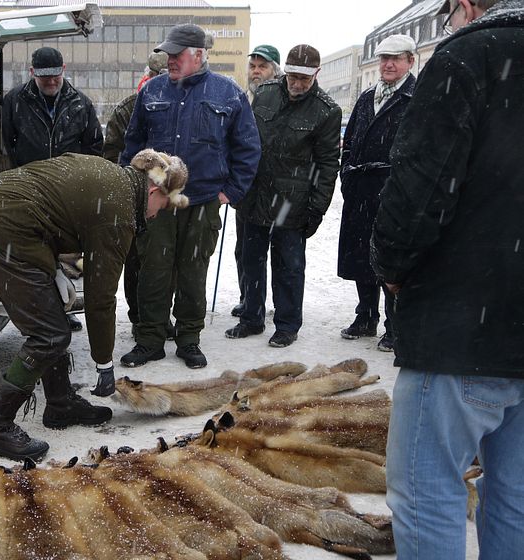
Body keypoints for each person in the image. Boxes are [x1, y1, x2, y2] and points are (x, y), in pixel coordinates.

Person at [371, 0, 524, 557]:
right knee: (517, 494)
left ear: (465, 6)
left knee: (427, 488)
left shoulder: (470, 55)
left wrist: (391, 265)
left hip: (465, 320)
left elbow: (421, 185)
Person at [0, 149, 189, 462]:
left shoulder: (116, 181)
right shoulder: (119, 211)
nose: (158, 213)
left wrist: (52, 267)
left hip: (2, 212)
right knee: (48, 334)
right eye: (163, 205)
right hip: (1, 224)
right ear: (154, 190)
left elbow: (55, 207)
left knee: (54, 321)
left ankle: (60, 404)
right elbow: (101, 298)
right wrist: (104, 363)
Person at [118, 23, 261, 369]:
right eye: (167, 53)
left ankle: (189, 338)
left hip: (203, 200)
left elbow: (249, 148)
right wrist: (132, 186)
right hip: (157, 200)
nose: (169, 60)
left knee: (193, 270)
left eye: (176, 54)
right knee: (153, 268)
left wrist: (231, 191)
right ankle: (150, 339)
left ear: (198, 55)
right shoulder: (151, 91)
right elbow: (133, 144)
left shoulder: (229, 94)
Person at [226, 44, 341, 348]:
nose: (297, 83)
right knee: (250, 260)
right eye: (292, 76)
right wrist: (236, 180)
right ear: (285, 70)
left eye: (304, 78)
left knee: (288, 266)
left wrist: (318, 209)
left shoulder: (327, 110)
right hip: (254, 195)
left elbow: (328, 164)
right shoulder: (264, 93)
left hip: (293, 202)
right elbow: (245, 140)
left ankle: (287, 325)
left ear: (317, 73)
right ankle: (251, 317)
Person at [2, 46, 104, 332]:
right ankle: (39, 313)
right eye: (44, 77)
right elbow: (4, 146)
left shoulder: (80, 104)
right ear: (32, 72)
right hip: (28, 191)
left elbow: (94, 150)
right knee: (35, 254)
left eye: (55, 76)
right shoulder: (14, 101)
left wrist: (84, 186)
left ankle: (64, 308)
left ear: (64, 69)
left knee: (64, 254)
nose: (50, 82)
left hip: (66, 195)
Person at [337, 34, 416, 352]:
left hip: (394, 193)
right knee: (360, 257)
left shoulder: (417, 97)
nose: (388, 64)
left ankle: (394, 326)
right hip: (361, 191)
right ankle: (365, 316)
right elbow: (351, 140)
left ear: (411, 61)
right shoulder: (367, 96)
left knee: (391, 260)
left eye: (396, 58)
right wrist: (347, 176)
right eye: (384, 58)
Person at [103, 51, 168, 339]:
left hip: (168, 197)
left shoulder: (182, 106)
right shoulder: (128, 109)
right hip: (135, 198)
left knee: (166, 261)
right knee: (136, 261)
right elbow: (112, 155)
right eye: (157, 78)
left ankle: (160, 317)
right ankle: (139, 318)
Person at [231, 44, 283, 319]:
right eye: (252, 66)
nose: (256, 71)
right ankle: (249, 298)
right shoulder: (245, 98)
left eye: (262, 66)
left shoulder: (283, 96)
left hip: (279, 190)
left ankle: (278, 305)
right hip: (247, 189)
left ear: (275, 69)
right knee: (245, 250)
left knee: (281, 253)